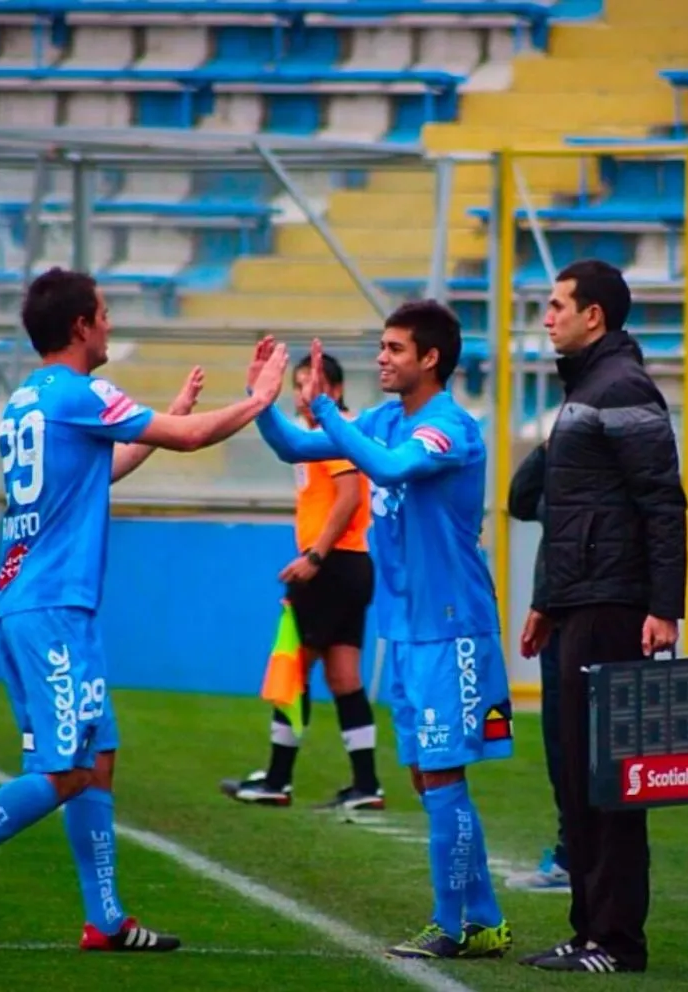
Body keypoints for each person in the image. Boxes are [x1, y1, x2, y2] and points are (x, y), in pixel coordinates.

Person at [0, 266, 289, 954]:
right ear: (80, 325)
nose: (110, 323)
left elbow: (95, 473)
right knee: (65, 770)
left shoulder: (29, 400)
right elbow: (193, 438)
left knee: (97, 756)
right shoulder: (82, 393)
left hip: (30, 602)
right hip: (54, 605)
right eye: (105, 313)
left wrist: (162, 415)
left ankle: (105, 920)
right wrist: (259, 399)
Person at [252, 301, 513, 961]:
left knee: (443, 775)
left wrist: (331, 411)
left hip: (454, 627)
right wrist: (261, 401)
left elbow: (391, 471)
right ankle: (481, 920)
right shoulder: (386, 419)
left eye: (395, 349)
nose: (382, 358)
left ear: (430, 358)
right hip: (409, 626)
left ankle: (453, 925)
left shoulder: (451, 428)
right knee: (428, 779)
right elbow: (297, 444)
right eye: (382, 347)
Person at [518, 259, 688, 974]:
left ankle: (619, 941)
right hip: (577, 603)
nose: (547, 315)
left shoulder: (623, 387)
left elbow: (663, 501)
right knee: (578, 779)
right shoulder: (587, 388)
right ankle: (588, 933)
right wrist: (546, 602)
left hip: (615, 607)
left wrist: (664, 609)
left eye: (558, 305)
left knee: (613, 782)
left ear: (596, 316)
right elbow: (549, 506)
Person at [219, 351, 383, 811]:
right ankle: (367, 785)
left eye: (311, 384)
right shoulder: (326, 432)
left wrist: (314, 556)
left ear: (334, 391)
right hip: (352, 564)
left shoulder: (333, 432)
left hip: (330, 566)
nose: (302, 393)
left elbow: (349, 496)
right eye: (297, 384)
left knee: (294, 668)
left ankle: (277, 779)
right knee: (344, 676)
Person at [504, 445, 570, 891]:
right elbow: (519, 501)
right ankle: (573, 854)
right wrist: (549, 448)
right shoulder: (563, 474)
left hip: (587, 619)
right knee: (561, 742)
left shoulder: (606, 481)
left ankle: (583, 858)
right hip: (557, 618)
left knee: (582, 745)